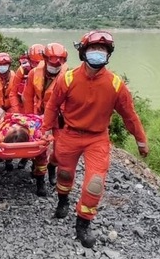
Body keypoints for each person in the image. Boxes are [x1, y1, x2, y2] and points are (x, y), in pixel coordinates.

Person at [41, 30, 149, 249]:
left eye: (102, 50)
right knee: (64, 173)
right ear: (83, 52)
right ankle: (63, 201)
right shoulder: (68, 78)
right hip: (70, 134)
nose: (97, 53)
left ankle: (83, 223)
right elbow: (52, 105)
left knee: (95, 183)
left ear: (108, 54)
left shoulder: (116, 85)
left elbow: (130, 115)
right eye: (93, 49)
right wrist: (45, 129)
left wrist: (141, 140)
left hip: (97, 138)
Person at [22, 42, 68, 195]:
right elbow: (27, 96)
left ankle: (52, 167)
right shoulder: (35, 73)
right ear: (45, 59)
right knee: (39, 148)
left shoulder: (68, 77)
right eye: (52, 61)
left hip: (59, 119)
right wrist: (29, 120)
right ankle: (40, 180)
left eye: (59, 62)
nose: (55, 65)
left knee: (60, 152)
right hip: (37, 117)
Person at [8, 44, 45, 115]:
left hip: (41, 109)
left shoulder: (49, 72)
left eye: (39, 63)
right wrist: (17, 112)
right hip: (23, 108)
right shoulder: (23, 70)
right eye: (33, 62)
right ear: (29, 59)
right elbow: (13, 93)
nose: (36, 66)